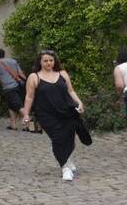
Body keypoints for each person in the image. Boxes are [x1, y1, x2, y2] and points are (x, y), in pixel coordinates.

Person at [20, 49, 91, 181]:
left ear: (55, 61)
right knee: (58, 138)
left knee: (70, 139)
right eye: (45, 60)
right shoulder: (34, 77)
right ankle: (65, 167)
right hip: (46, 114)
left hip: (67, 111)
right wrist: (26, 114)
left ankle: (67, 158)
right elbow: (29, 97)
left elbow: (71, 91)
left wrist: (79, 103)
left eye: (51, 60)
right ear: (40, 62)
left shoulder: (62, 74)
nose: (48, 63)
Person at [0, 48, 26, 130]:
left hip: (9, 88)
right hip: (18, 86)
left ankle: (29, 124)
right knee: (11, 105)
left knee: (18, 106)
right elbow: (20, 73)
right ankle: (13, 124)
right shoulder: (13, 61)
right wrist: (28, 82)